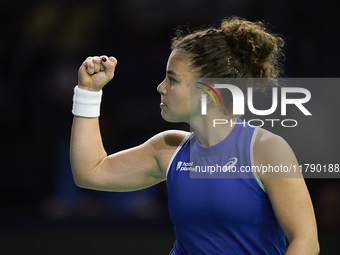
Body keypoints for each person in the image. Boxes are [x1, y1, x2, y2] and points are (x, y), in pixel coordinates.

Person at [70, 17, 319, 254]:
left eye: (172, 79)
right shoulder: (168, 148)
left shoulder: (266, 149)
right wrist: (88, 93)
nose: (161, 87)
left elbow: (305, 241)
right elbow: (90, 172)